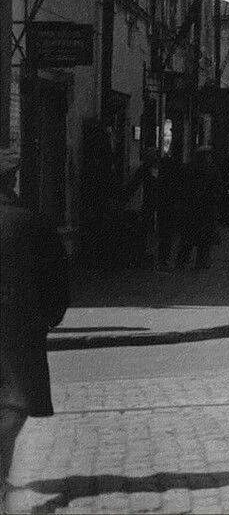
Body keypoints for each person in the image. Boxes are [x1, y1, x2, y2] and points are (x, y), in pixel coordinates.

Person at [0, 153, 69, 513]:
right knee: (15, 402)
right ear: (11, 181)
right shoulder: (31, 223)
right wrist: (47, 318)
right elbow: (58, 280)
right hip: (17, 331)